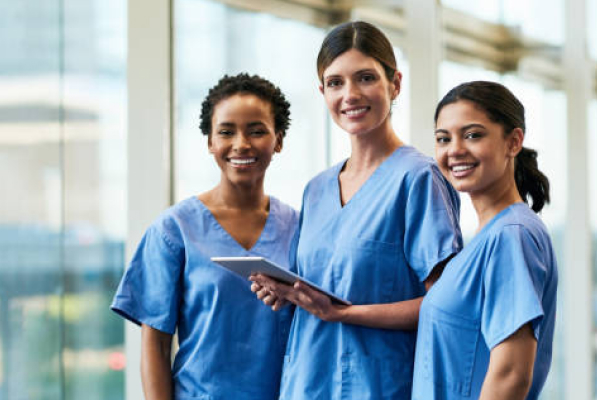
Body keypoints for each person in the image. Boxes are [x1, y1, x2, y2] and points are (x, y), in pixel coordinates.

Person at [250, 21, 462, 399]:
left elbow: (447, 307)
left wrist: (345, 314)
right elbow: (321, 290)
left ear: (394, 83)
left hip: (381, 387)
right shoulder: (316, 190)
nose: (349, 94)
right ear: (322, 91)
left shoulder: (417, 180)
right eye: (335, 82)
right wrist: (285, 293)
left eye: (365, 78)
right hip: (307, 384)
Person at [111, 73, 299, 400]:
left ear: (278, 140)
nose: (241, 143)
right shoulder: (174, 230)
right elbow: (155, 343)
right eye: (226, 132)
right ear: (210, 141)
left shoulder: (298, 228)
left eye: (257, 131)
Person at [412, 81, 558, 400]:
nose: (455, 150)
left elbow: (511, 374)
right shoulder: (485, 240)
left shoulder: (511, 235)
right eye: (443, 138)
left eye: (473, 135)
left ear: (513, 142)